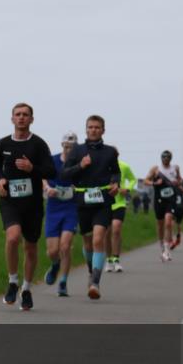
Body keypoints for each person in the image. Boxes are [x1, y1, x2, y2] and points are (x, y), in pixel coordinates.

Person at [0, 103, 56, 311]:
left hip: (33, 203)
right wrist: (0, 180)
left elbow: (51, 171)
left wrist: (32, 168)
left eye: (25, 115)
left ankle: (26, 289)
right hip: (10, 201)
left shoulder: (38, 145)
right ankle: (12, 281)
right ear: (12, 119)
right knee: (12, 237)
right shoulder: (2, 144)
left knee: (30, 246)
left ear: (31, 119)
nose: (21, 118)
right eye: (17, 115)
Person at [59, 115, 120, 300]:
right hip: (83, 201)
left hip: (103, 201)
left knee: (98, 239)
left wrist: (115, 183)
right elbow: (64, 175)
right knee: (87, 243)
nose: (93, 130)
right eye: (90, 127)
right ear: (86, 129)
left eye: (97, 127)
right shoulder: (77, 151)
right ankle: (90, 269)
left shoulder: (110, 152)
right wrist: (81, 165)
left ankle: (95, 282)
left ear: (103, 130)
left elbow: (115, 172)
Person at [42, 132, 79, 296]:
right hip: (53, 207)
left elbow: (84, 180)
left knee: (65, 246)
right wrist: (47, 188)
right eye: (66, 145)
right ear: (62, 145)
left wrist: (76, 188)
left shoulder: (79, 163)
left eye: (71, 146)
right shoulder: (52, 160)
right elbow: (42, 177)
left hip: (71, 207)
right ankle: (55, 265)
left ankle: (63, 282)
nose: (68, 148)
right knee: (52, 251)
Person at [144, 151, 183, 262]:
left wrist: (177, 182)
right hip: (159, 200)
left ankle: (166, 250)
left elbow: (180, 179)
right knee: (160, 224)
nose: (165, 160)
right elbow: (146, 181)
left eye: (167, 158)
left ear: (170, 159)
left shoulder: (175, 168)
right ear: (161, 158)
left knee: (168, 221)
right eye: (164, 158)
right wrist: (155, 183)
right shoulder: (155, 169)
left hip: (171, 199)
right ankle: (161, 244)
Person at [104, 157, 135, 273]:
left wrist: (127, 190)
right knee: (107, 232)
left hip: (119, 203)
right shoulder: (102, 166)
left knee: (116, 229)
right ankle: (108, 260)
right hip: (105, 204)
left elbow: (132, 179)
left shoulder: (124, 166)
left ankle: (116, 259)